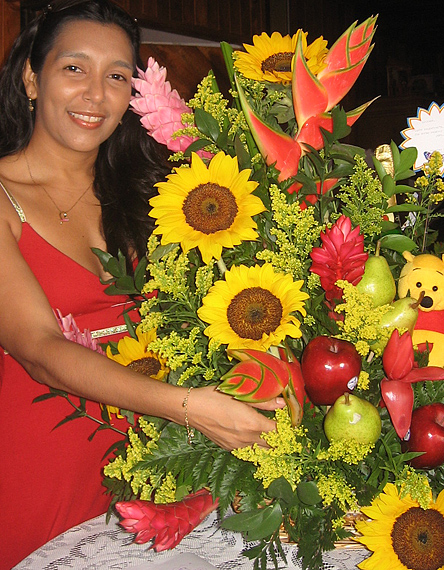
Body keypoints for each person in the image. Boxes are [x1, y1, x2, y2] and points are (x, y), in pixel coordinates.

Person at [0, 1, 283, 567]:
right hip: (43, 465)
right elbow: (40, 350)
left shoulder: (154, 196)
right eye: (74, 68)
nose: (96, 95)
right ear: (32, 77)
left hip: (157, 464)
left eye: (117, 76)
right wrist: (189, 408)